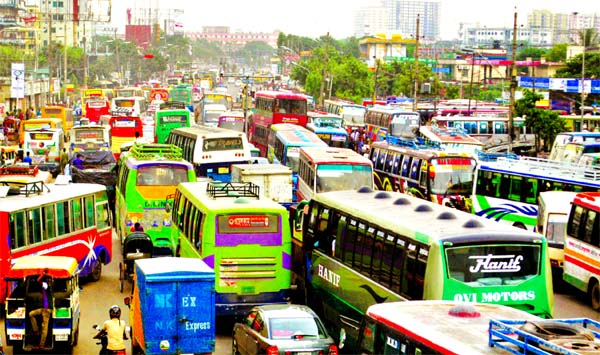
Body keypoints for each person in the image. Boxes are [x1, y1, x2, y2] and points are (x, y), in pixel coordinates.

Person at [29, 269, 52, 349]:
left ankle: (41, 345)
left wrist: (43, 273)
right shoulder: (44, 287)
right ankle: (36, 331)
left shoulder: (46, 285)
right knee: (31, 314)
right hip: (43, 308)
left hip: (47, 309)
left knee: (44, 327)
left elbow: (38, 280)